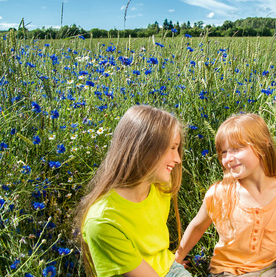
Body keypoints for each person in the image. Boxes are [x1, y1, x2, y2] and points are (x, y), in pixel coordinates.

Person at [175, 113, 276, 277]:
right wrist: (175, 261)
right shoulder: (220, 194)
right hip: (228, 272)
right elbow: (197, 227)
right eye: (224, 152)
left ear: (263, 145)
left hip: (272, 270)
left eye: (237, 149)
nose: (228, 158)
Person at [75, 105, 192, 277]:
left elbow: (151, 248)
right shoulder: (103, 221)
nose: (178, 159)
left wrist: (170, 265)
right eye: (172, 148)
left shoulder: (160, 187)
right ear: (144, 149)